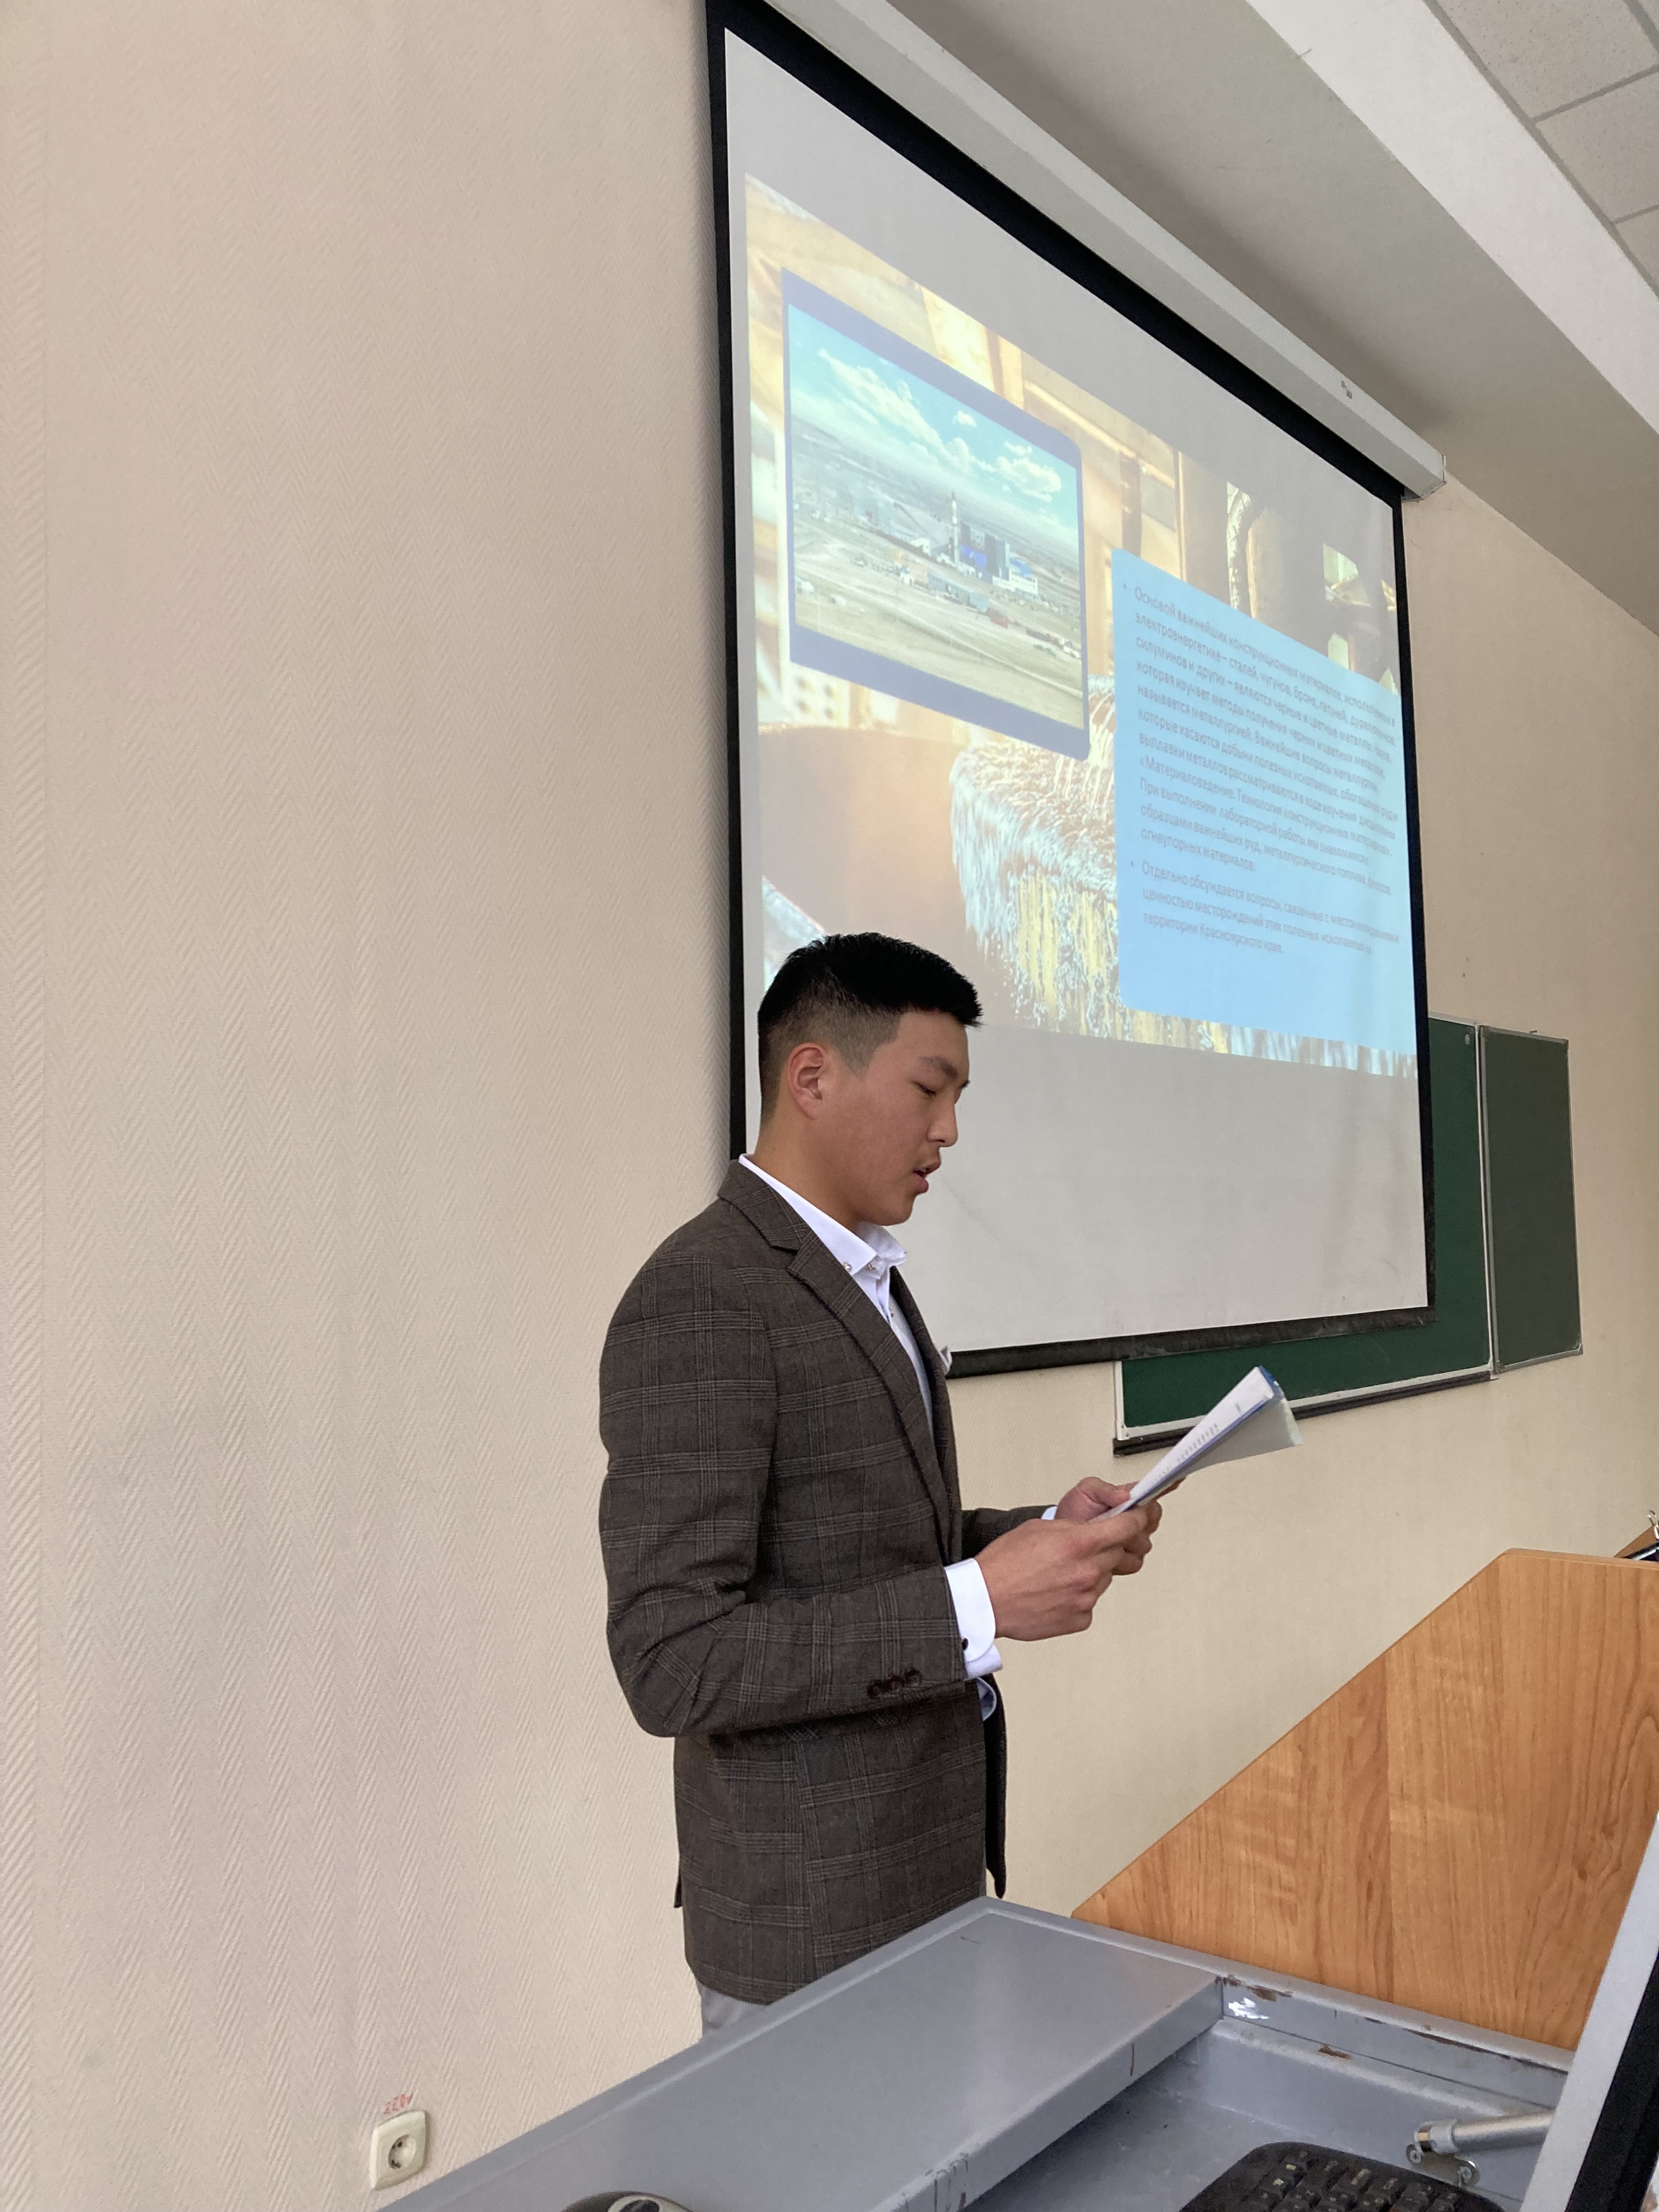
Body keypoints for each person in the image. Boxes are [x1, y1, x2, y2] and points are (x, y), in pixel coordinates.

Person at [599, 932, 1161, 2035]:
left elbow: (867, 1541)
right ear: (812, 1077)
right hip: (809, 1931)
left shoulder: (865, 1276)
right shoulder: (703, 1295)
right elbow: (672, 1659)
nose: (949, 1131)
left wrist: (1038, 1532)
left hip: (926, 1886)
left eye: (958, 1098)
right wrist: (980, 1603)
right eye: (928, 1090)